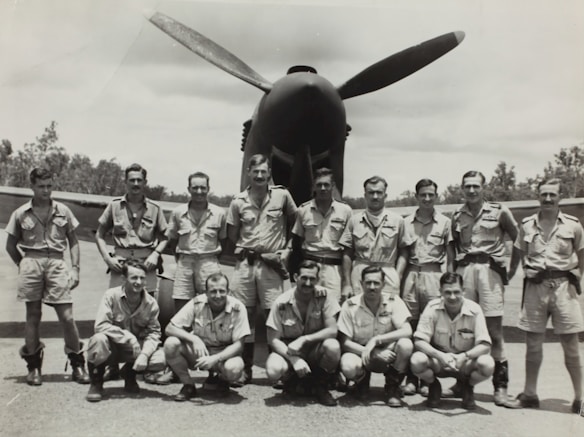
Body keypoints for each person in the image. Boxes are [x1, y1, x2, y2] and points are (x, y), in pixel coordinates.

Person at [505, 178, 584, 415]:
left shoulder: (573, 225)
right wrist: (522, 273)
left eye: (552, 194)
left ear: (560, 197)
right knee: (533, 344)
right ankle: (530, 394)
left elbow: (582, 255)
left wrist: (575, 276)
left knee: (571, 344)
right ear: (538, 196)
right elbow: (518, 254)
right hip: (535, 288)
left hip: (563, 288)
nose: (548, 199)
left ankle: (580, 398)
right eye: (544, 194)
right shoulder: (527, 225)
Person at [5, 167, 90, 386]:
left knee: (67, 317)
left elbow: (74, 241)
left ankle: (77, 363)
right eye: (41, 186)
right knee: (33, 315)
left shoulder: (63, 211)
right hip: (31, 261)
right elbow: (10, 245)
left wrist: (76, 269)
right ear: (32, 187)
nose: (46, 190)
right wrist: (22, 263)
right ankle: (33, 366)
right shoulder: (21, 213)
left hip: (57, 263)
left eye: (49, 186)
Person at [227, 154, 297, 384]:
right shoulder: (238, 201)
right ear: (249, 172)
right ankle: (245, 369)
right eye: (255, 172)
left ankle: (276, 370)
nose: (259, 176)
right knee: (244, 315)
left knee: (273, 315)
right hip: (246, 265)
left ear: (269, 173)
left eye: (263, 172)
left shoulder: (282, 196)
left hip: (271, 265)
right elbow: (232, 234)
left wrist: (286, 250)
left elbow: (295, 224)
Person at [450, 170, 518, 405]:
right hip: (465, 271)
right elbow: (454, 246)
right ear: (462, 188)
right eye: (467, 186)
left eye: (475, 186)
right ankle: (462, 382)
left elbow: (517, 238)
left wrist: (511, 269)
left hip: (490, 271)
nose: (471, 190)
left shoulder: (500, 211)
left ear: (483, 187)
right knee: (465, 330)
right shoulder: (457, 215)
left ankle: (500, 388)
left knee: (495, 332)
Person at [95, 163, 168, 380]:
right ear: (125, 181)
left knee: (146, 314)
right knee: (116, 312)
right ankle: (112, 364)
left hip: (146, 264)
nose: (136, 184)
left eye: (139, 180)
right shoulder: (114, 206)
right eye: (132, 180)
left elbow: (165, 237)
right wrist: (107, 258)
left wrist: (156, 254)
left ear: (145, 183)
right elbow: (99, 234)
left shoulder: (155, 208)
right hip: (121, 263)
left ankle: (140, 362)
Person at [156, 172, 227, 385]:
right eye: (194, 187)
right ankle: (174, 368)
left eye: (202, 187)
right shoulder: (178, 213)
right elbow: (171, 238)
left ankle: (215, 370)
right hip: (185, 263)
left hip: (209, 261)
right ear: (188, 189)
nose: (198, 191)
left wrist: (210, 260)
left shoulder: (218, 213)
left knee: (214, 314)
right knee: (180, 315)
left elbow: (224, 240)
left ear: (208, 188)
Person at [400, 179, 454, 396]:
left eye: (431, 194)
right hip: (411, 274)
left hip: (434, 274)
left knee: (430, 324)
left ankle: (427, 377)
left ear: (437, 196)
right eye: (423, 194)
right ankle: (411, 377)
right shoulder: (405, 222)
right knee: (411, 325)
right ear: (417, 196)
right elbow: (403, 253)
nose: (427, 198)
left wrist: (449, 281)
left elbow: (450, 256)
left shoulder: (444, 222)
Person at [410, 272, 494, 410]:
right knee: (417, 360)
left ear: (464, 291)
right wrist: (440, 356)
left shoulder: (475, 310)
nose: (452, 297)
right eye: (447, 292)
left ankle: (468, 386)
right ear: (440, 292)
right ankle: (433, 385)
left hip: (464, 362)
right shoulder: (432, 307)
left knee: (487, 364)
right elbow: (419, 341)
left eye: (456, 292)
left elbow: (485, 345)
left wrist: (464, 356)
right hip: (439, 361)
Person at [85, 259, 166, 402]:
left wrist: (145, 355)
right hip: (112, 347)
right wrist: (128, 337)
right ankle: (96, 383)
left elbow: (154, 333)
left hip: (134, 350)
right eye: (134, 277)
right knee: (98, 340)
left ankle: (130, 373)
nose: (139, 282)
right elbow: (100, 325)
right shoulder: (111, 295)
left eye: (142, 278)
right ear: (123, 279)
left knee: (161, 358)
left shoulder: (151, 303)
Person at [163, 272, 250, 401]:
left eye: (222, 291)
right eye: (213, 291)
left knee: (234, 368)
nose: (218, 296)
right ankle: (188, 385)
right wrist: (194, 338)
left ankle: (222, 380)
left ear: (228, 291)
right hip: (200, 351)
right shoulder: (196, 303)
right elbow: (170, 328)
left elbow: (239, 345)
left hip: (224, 354)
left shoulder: (238, 308)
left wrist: (216, 358)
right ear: (206, 292)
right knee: (171, 344)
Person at [265, 260, 341, 406]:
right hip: (290, 349)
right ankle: (291, 381)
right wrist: (294, 359)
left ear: (318, 280)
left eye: (312, 279)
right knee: (273, 369)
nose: (307, 283)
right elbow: (273, 340)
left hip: (314, 348)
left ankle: (321, 385)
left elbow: (332, 330)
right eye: (304, 278)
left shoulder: (325, 296)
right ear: (295, 277)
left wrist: (305, 339)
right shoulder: (281, 302)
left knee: (333, 346)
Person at [338, 266, 413, 407]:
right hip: (361, 353)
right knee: (348, 366)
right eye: (368, 283)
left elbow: (407, 330)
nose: (372, 287)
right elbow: (345, 343)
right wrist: (373, 352)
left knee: (406, 344)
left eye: (376, 283)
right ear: (361, 284)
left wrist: (377, 340)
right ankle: (361, 382)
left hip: (388, 353)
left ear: (383, 284)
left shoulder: (393, 301)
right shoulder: (350, 305)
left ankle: (392, 387)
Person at [340, 176, 412, 298]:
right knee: (359, 311)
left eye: (379, 192)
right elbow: (347, 253)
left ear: (385, 195)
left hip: (387, 272)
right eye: (371, 193)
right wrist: (347, 283)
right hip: (360, 273)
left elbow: (404, 251)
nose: (375, 196)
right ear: (365, 195)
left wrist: (398, 275)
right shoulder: (354, 220)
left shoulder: (397, 220)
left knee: (388, 312)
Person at [290, 167, 352, 303]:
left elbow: (348, 247)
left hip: (334, 269)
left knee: (334, 306)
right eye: (319, 185)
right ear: (313, 187)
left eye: (326, 185)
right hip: (310, 267)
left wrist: (347, 282)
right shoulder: (303, 210)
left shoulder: (345, 211)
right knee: (308, 305)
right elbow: (296, 245)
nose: (323, 188)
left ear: (333, 186)